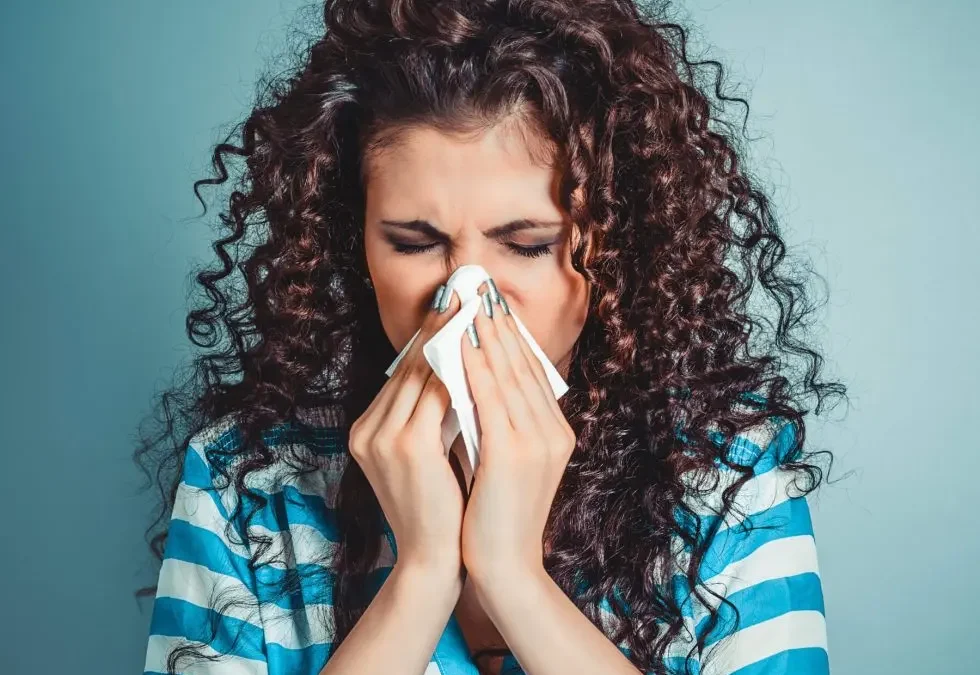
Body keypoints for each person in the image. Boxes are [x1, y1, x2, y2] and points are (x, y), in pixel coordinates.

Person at [135, 1, 847, 674]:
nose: (466, 297)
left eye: (527, 245)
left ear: (612, 246)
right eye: (415, 243)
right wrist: (420, 577)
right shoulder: (246, 484)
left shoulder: (725, 481)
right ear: (358, 248)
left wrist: (513, 578)